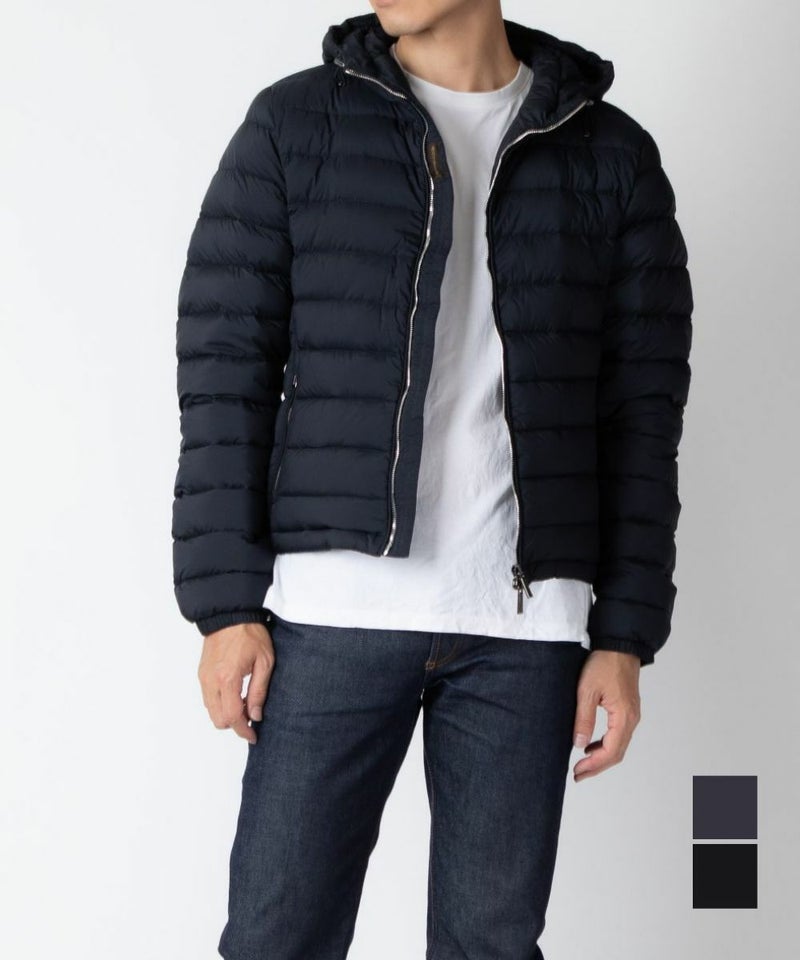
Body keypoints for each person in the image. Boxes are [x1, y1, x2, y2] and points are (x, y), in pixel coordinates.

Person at [172, 2, 693, 957]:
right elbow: (224, 372)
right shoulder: (296, 123)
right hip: (332, 616)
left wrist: (624, 636)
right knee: (276, 937)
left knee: (491, 946)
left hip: (523, 632)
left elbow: (642, 416)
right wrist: (224, 606)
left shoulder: (610, 153)